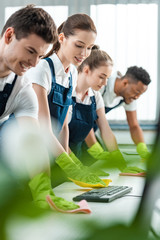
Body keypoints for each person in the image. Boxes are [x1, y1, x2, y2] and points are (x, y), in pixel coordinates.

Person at [0, 5, 91, 213]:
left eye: (39, 56)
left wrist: (44, 193)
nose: (33, 63)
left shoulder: (23, 89)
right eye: (30, 51)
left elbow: (34, 141)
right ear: (9, 35)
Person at [25, 14, 107, 188]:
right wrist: (70, 166)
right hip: (27, 155)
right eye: (79, 45)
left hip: (51, 152)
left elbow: (63, 126)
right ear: (61, 38)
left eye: (90, 48)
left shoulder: (71, 74)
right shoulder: (42, 69)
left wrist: (73, 164)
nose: (84, 54)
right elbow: (44, 127)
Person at [68, 46, 144, 173]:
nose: (104, 83)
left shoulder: (95, 95)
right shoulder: (68, 92)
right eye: (102, 77)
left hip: (77, 147)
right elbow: (60, 133)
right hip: (59, 153)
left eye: (107, 78)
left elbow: (106, 130)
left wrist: (121, 164)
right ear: (86, 70)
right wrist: (75, 167)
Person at [84, 66, 151, 162]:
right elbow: (84, 118)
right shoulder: (101, 85)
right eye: (137, 92)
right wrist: (95, 150)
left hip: (92, 127)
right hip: (77, 125)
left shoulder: (129, 97)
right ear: (125, 83)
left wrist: (142, 148)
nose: (137, 97)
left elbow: (134, 126)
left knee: (92, 160)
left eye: (140, 94)